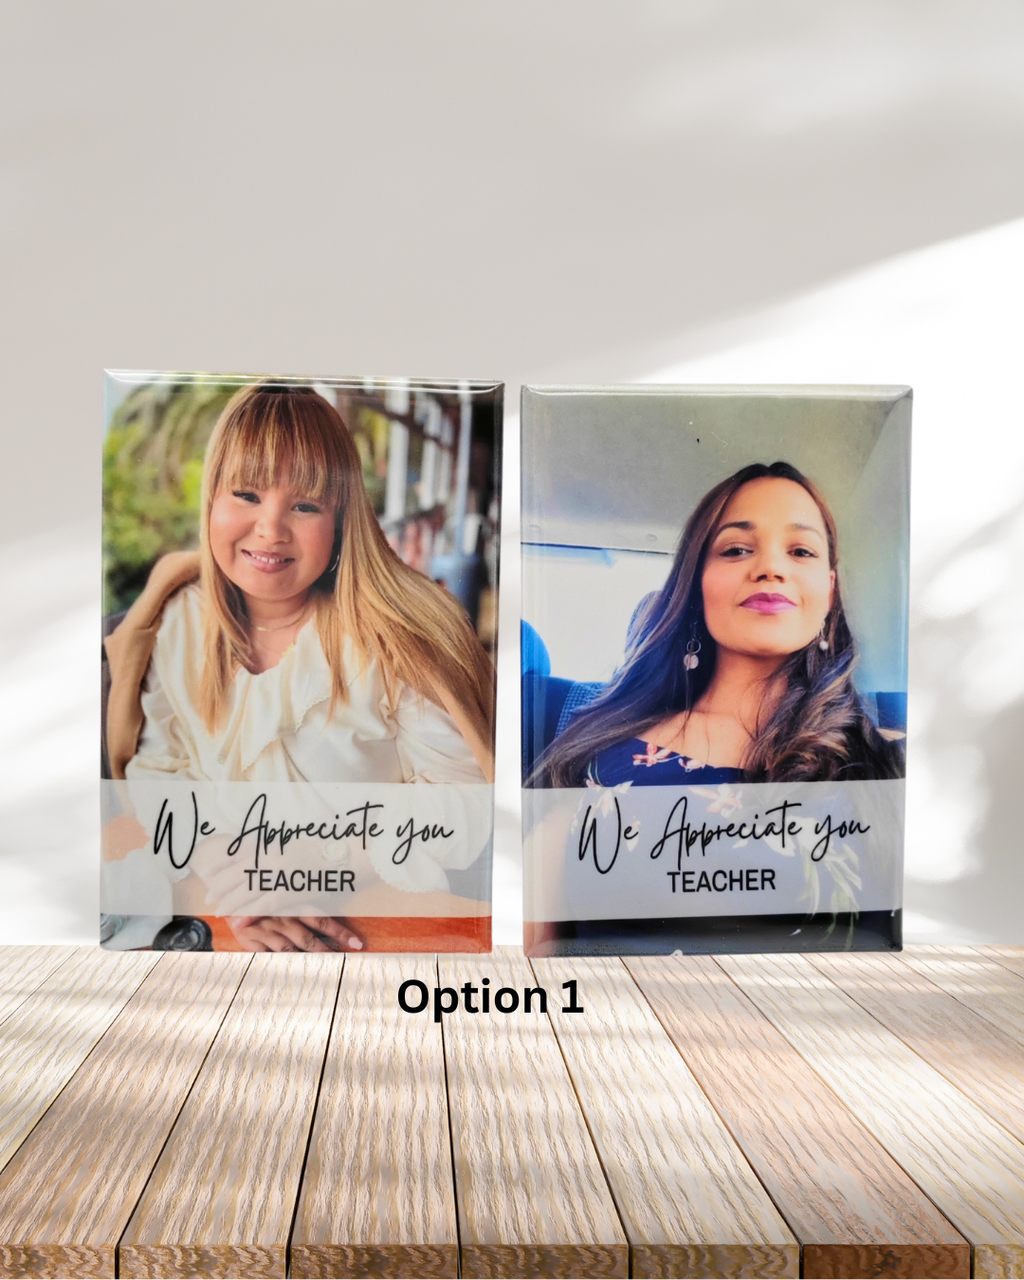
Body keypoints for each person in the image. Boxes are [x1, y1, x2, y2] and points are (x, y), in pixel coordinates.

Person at [104, 381, 495, 951]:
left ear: (342, 519)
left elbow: (466, 801)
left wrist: (318, 860)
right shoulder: (180, 620)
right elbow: (161, 767)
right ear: (210, 499)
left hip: (373, 917)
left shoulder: (392, 640)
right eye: (246, 494)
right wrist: (225, 870)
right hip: (224, 908)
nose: (271, 528)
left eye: (305, 505)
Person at [531, 461, 903, 787]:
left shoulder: (888, 763)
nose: (771, 568)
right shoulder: (596, 747)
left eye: (801, 551)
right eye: (736, 550)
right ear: (696, 584)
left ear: (830, 592)